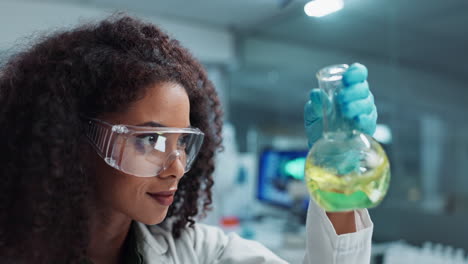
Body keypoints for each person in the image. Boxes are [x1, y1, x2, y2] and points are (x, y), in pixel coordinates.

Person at [0, 14, 377, 264]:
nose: (176, 167)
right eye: (149, 139)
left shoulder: (196, 252)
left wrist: (338, 177)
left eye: (182, 141)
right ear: (71, 139)